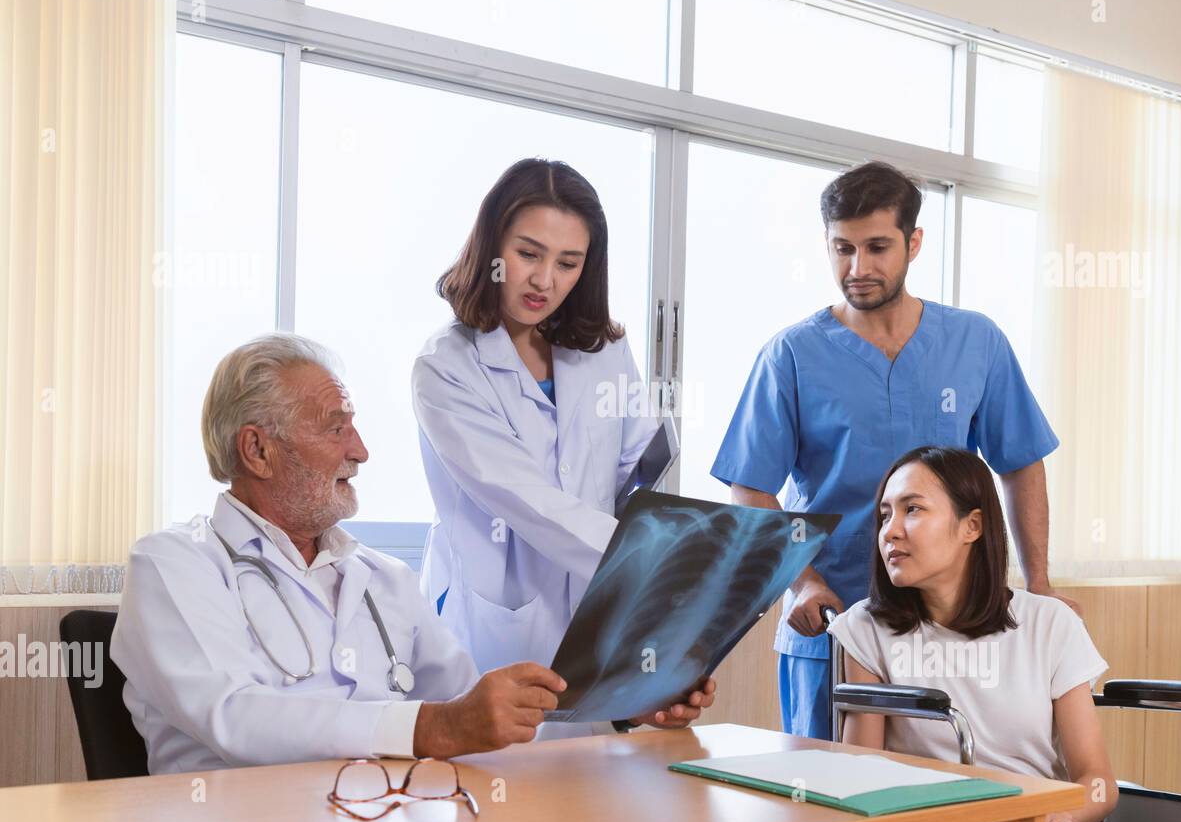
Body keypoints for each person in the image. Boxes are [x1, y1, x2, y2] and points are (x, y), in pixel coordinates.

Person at [711, 160, 1067, 740]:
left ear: (914, 243)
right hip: (832, 621)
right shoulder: (792, 355)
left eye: (877, 247)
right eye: (842, 249)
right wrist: (802, 582)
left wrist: (1040, 585)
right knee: (829, 807)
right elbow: (750, 486)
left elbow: (1022, 461)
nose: (858, 268)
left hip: (954, 629)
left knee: (947, 800)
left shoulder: (975, 342)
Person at [112, 334, 567, 775]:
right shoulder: (175, 564)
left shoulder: (384, 576)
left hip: (381, 818)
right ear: (257, 450)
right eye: (336, 428)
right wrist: (432, 728)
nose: (361, 451)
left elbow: (473, 711)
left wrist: (611, 712)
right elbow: (233, 717)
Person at [412, 158, 715, 736]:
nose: (544, 279)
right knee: (499, 806)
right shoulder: (446, 367)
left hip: (595, 619)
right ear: (492, 244)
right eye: (529, 253)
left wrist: (674, 554)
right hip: (497, 630)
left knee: (591, 800)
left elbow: (636, 471)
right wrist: (662, 565)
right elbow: (527, 501)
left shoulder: (602, 352)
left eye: (568, 262)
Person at [828, 446, 1116, 822]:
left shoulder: (1049, 623)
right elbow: (864, 781)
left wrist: (1062, 818)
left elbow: (1097, 780)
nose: (891, 530)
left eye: (912, 509)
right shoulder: (865, 629)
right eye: (885, 515)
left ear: (972, 526)